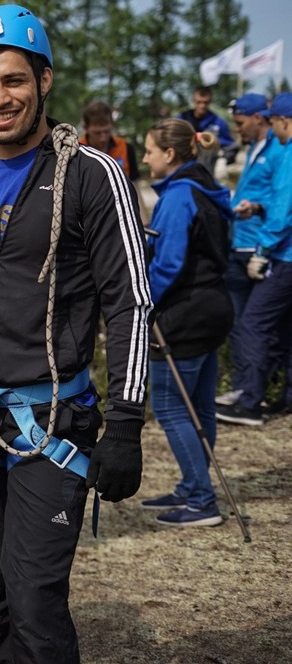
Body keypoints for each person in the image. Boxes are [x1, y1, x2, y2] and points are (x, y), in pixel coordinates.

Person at [0, 4, 152, 663]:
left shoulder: (89, 174)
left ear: (44, 79)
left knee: (33, 596)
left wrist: (127, 424)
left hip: (50, 423)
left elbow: (130, 302)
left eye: (13, 80)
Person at [138, 119, 233, 526]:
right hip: (213, 307)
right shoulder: (203, 188)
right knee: (199, 406)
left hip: (184, 316)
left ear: (170, 155)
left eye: (149, 151)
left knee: (169, 406)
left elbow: (171, 264)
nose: (144, 158)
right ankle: (192, 485)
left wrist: (142, 302)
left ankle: (200, 499)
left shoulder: (178, 196)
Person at [216, 92, 292, 426]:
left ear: (279, 120)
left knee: (253, 323)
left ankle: (250, 400)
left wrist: (262, 250)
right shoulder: (270, 148)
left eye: (276, 122)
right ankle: (276, 395)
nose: (275, 129)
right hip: (267, 246)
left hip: (273, 250)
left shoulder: (285, 151)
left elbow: (283, 205)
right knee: (278, 326)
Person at [178, 85, 236, 173]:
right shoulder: (181, 119)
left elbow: (230, 147)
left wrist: (223, 160)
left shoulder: (218, 123)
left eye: (206, 102)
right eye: (199, 102)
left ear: (210, 101)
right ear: (193, 101)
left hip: (206, 173)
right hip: (182, 171)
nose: (202, 106)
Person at [79, 100, 139, 179]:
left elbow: (134, 184)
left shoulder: (126, 148)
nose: (103, 138)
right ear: (85, 128)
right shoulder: (77, 152)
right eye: (97, 133)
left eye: (107, 131)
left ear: (112, 124)